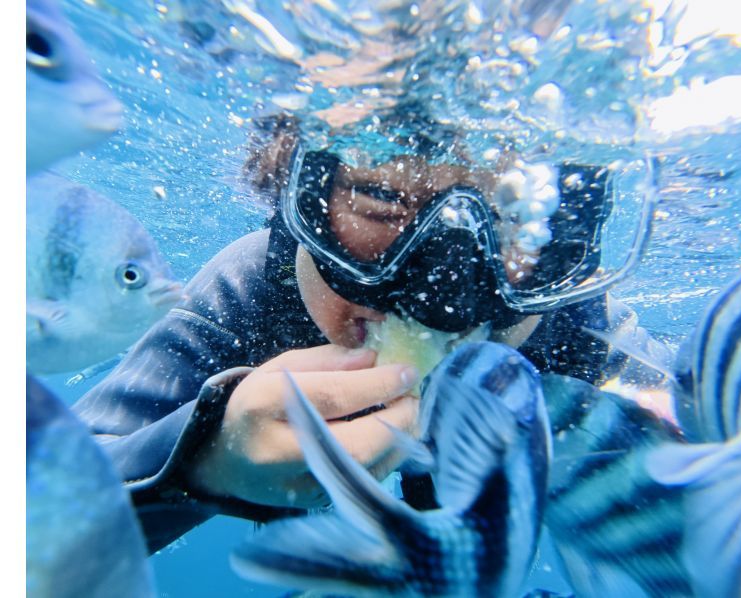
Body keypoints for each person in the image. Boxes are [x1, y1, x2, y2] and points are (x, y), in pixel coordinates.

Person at [73, 112, 663, 553]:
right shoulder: (253, 290)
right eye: (379, 201)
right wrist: (201, 460)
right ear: (296, 203)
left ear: (567, 251)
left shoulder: (576, 334)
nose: (444, 300)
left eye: (514, 225)